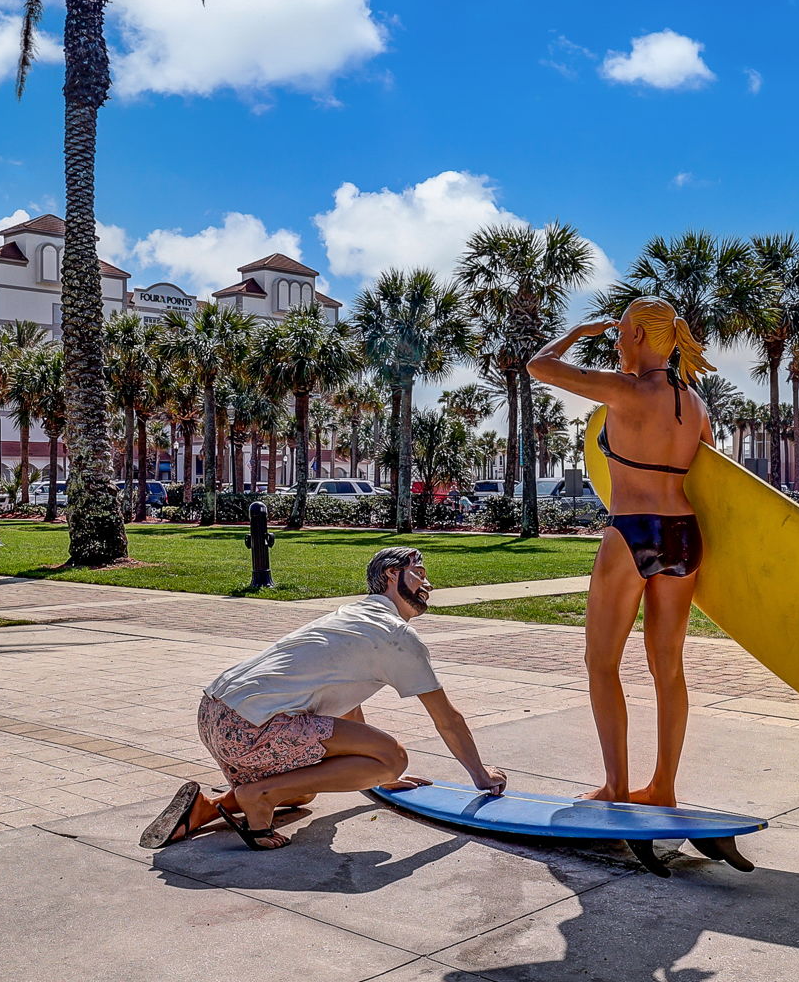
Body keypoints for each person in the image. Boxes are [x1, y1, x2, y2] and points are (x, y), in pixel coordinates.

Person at [140, 547, 507, 852]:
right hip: (252, 728)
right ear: (393, 575)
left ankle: (207, 809)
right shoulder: (396, 636)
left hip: (215, 715)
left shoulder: (351, 615)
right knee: (393, 757)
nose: (428, 584)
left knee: (303, 794)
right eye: (420, 573)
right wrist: (479, 775)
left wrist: (368, 767)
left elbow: (344, 698)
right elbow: (447, 719)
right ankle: (258, 797)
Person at [528, 297, 715, 806]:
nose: (615, 344)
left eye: (620, 333)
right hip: (683, 534)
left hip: (631, 530)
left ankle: (614, 786)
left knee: (601, 661)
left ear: (637, 336)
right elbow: (713, 475)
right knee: (669, 668)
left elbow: (538, 365)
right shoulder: (695, 403)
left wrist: (575, 332)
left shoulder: (625, 390)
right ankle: (663, 789)